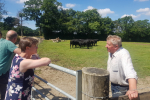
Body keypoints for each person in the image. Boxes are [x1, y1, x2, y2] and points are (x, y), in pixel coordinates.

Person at [105, 35, 138, 100]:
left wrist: (132, 90)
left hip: (121, 88)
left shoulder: (123, 54)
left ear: (116, 46)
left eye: (108, 44)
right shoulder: (111, 52)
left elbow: (130, 71)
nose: (106, 46)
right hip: (113, 85)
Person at [0, 30, 21, 100]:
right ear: (15, 39)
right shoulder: (9, 43)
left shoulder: (1, 42)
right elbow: (22, 53)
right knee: (4, 92)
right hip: (2, 73)